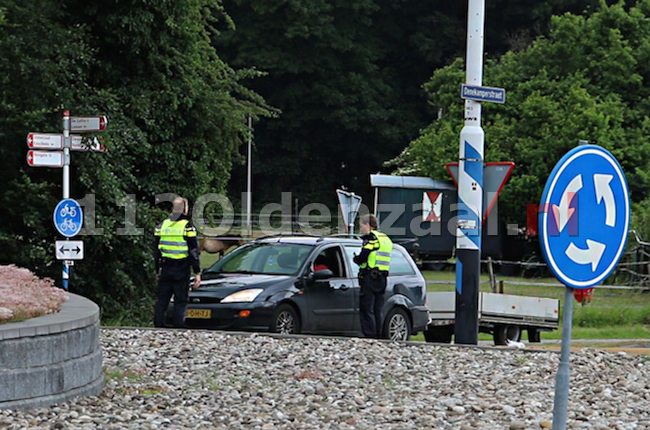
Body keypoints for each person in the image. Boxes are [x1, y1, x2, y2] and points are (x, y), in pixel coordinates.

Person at [153, 197, 201, 328]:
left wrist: (157, 270)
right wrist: (197, 272)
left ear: (172, 209)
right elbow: (193, 250)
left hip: (165, 267)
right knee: (180, 299)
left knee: (162, 300)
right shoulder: (187, 226)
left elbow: (156, 251)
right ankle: (178, 326)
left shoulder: (162, 225)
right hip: (181, 267)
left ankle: (158, 325)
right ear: (185, 210)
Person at [353, 214, 393, 338]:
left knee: (366, 308)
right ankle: (378, 334)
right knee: (377, 309)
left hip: (370, 277)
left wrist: (356, 259)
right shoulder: (385, 238)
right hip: (382, 277)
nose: (361, 229)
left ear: (368, 225)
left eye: (362, 226)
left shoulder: (371, 238)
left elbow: (364, 256)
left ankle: (369, 335)